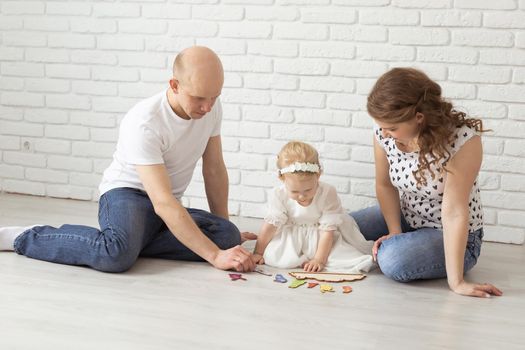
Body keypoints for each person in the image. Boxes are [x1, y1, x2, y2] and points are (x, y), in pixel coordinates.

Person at [0, 46, 255, 273]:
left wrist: (226, 236)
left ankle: (133, 240)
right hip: (126, 195)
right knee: (116, 255)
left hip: (163, 205)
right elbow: (163, 202)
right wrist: (214, 255)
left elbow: (213, 170)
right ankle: (24, 236)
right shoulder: (145, 121)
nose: (207, 107)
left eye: (214, 97)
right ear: (174, 85)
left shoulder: (210, 109)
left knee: (227, 235)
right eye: (199, 97)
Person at [350, 67, 503, 298]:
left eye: (392, 128)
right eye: (382, 126)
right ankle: (400, 241)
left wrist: (457, 282)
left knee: (392, 259)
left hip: (450, 231)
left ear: (418, 118)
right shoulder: (384, 132)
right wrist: (394, 231)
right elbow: (384, 184)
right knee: (343, 226)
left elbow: (454, 212)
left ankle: (423, 254)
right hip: (408, 215)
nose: (385, 133)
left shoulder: (462, 140)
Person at [251, 141, 374, 273]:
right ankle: (299, 255)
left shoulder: (327, 192)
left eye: (308, 190)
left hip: (322, 237)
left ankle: (318, 256)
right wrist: (258, 252)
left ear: (318, 175)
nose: (302, 196)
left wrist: (319, 260)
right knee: (274, 257)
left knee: (344, 258)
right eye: (295, 192)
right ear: (282, 178)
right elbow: (269, 226)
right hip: (292, 236)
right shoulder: (278, 194)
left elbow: (327, 231)